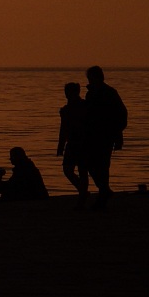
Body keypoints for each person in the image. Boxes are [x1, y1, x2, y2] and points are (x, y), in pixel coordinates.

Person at [79, 66, 127, 210]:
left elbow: (121, 114)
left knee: (101, 165)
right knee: (90, 164)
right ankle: (104, 190)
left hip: (104, 135)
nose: (90, 81)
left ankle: (103, 194)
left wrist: (116, 133)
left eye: (91, 78)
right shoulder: (91, 94)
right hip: (92, 135)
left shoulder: (109, 93)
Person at [56, 82, 88, 196]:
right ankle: (82, 190)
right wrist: (60, 146)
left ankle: (83, 192)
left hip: (82, 143)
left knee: (82, 170)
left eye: (69, 92)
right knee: (68, 170)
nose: (67, 94)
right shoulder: (66, 109)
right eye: (66, 92)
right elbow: (63, 129)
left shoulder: (84, 106)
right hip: (72, 143)